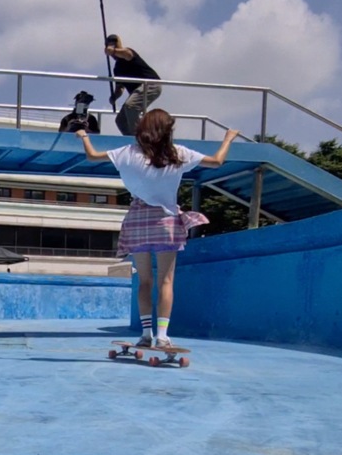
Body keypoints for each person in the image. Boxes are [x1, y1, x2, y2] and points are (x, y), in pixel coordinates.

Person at [74, 109, 239, 349]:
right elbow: (216, 161)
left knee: (144, 282)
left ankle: (145, 334)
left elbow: (92, 156)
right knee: (166, 281)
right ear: (167, 131)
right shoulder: (178, 153)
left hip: (138, 220)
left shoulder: (128, 153)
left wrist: (84, 136)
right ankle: (162, 336)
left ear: (143, 129)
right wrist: (228, 139)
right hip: (166, 221)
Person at [105, 34, 161, 136]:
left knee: (130, 106)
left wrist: (114, 50)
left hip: (151, 84)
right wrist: (114, 97)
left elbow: (128, 54)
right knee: (121, 120)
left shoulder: (128, 53)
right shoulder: (117, 69)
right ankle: (132, 138)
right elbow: (120, 88)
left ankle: (142, 138)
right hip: (138, 90)